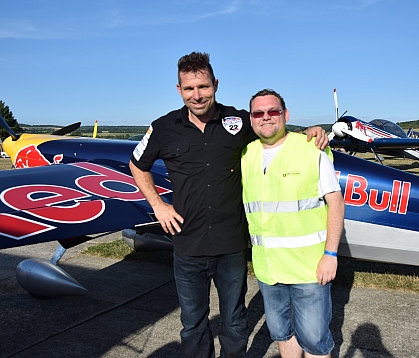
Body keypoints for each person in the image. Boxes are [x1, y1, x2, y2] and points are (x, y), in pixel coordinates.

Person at [128, 52, 328, 358]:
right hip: (188, 245)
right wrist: (158, 206)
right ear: (179, 90)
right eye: (190, 88)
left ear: (215, 84)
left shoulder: (236, 121)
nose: (197, 95)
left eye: (203, 87)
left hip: (231, 245)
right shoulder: (163, 127)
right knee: (192, 324)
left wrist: (309, 133)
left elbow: (272, 130)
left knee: (234, 322)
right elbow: (136, 164)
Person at [241, 89, 344, 358]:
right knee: (282, 334)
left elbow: (336, 202)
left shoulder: (311, 148)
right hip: (269, 270)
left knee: (314, 341)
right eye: (258, 113)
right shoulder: (245, 155)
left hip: (308, 270)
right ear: (251, 119)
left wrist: (331, 255)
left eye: (273, 111)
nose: (266, 117)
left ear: (285, 115)